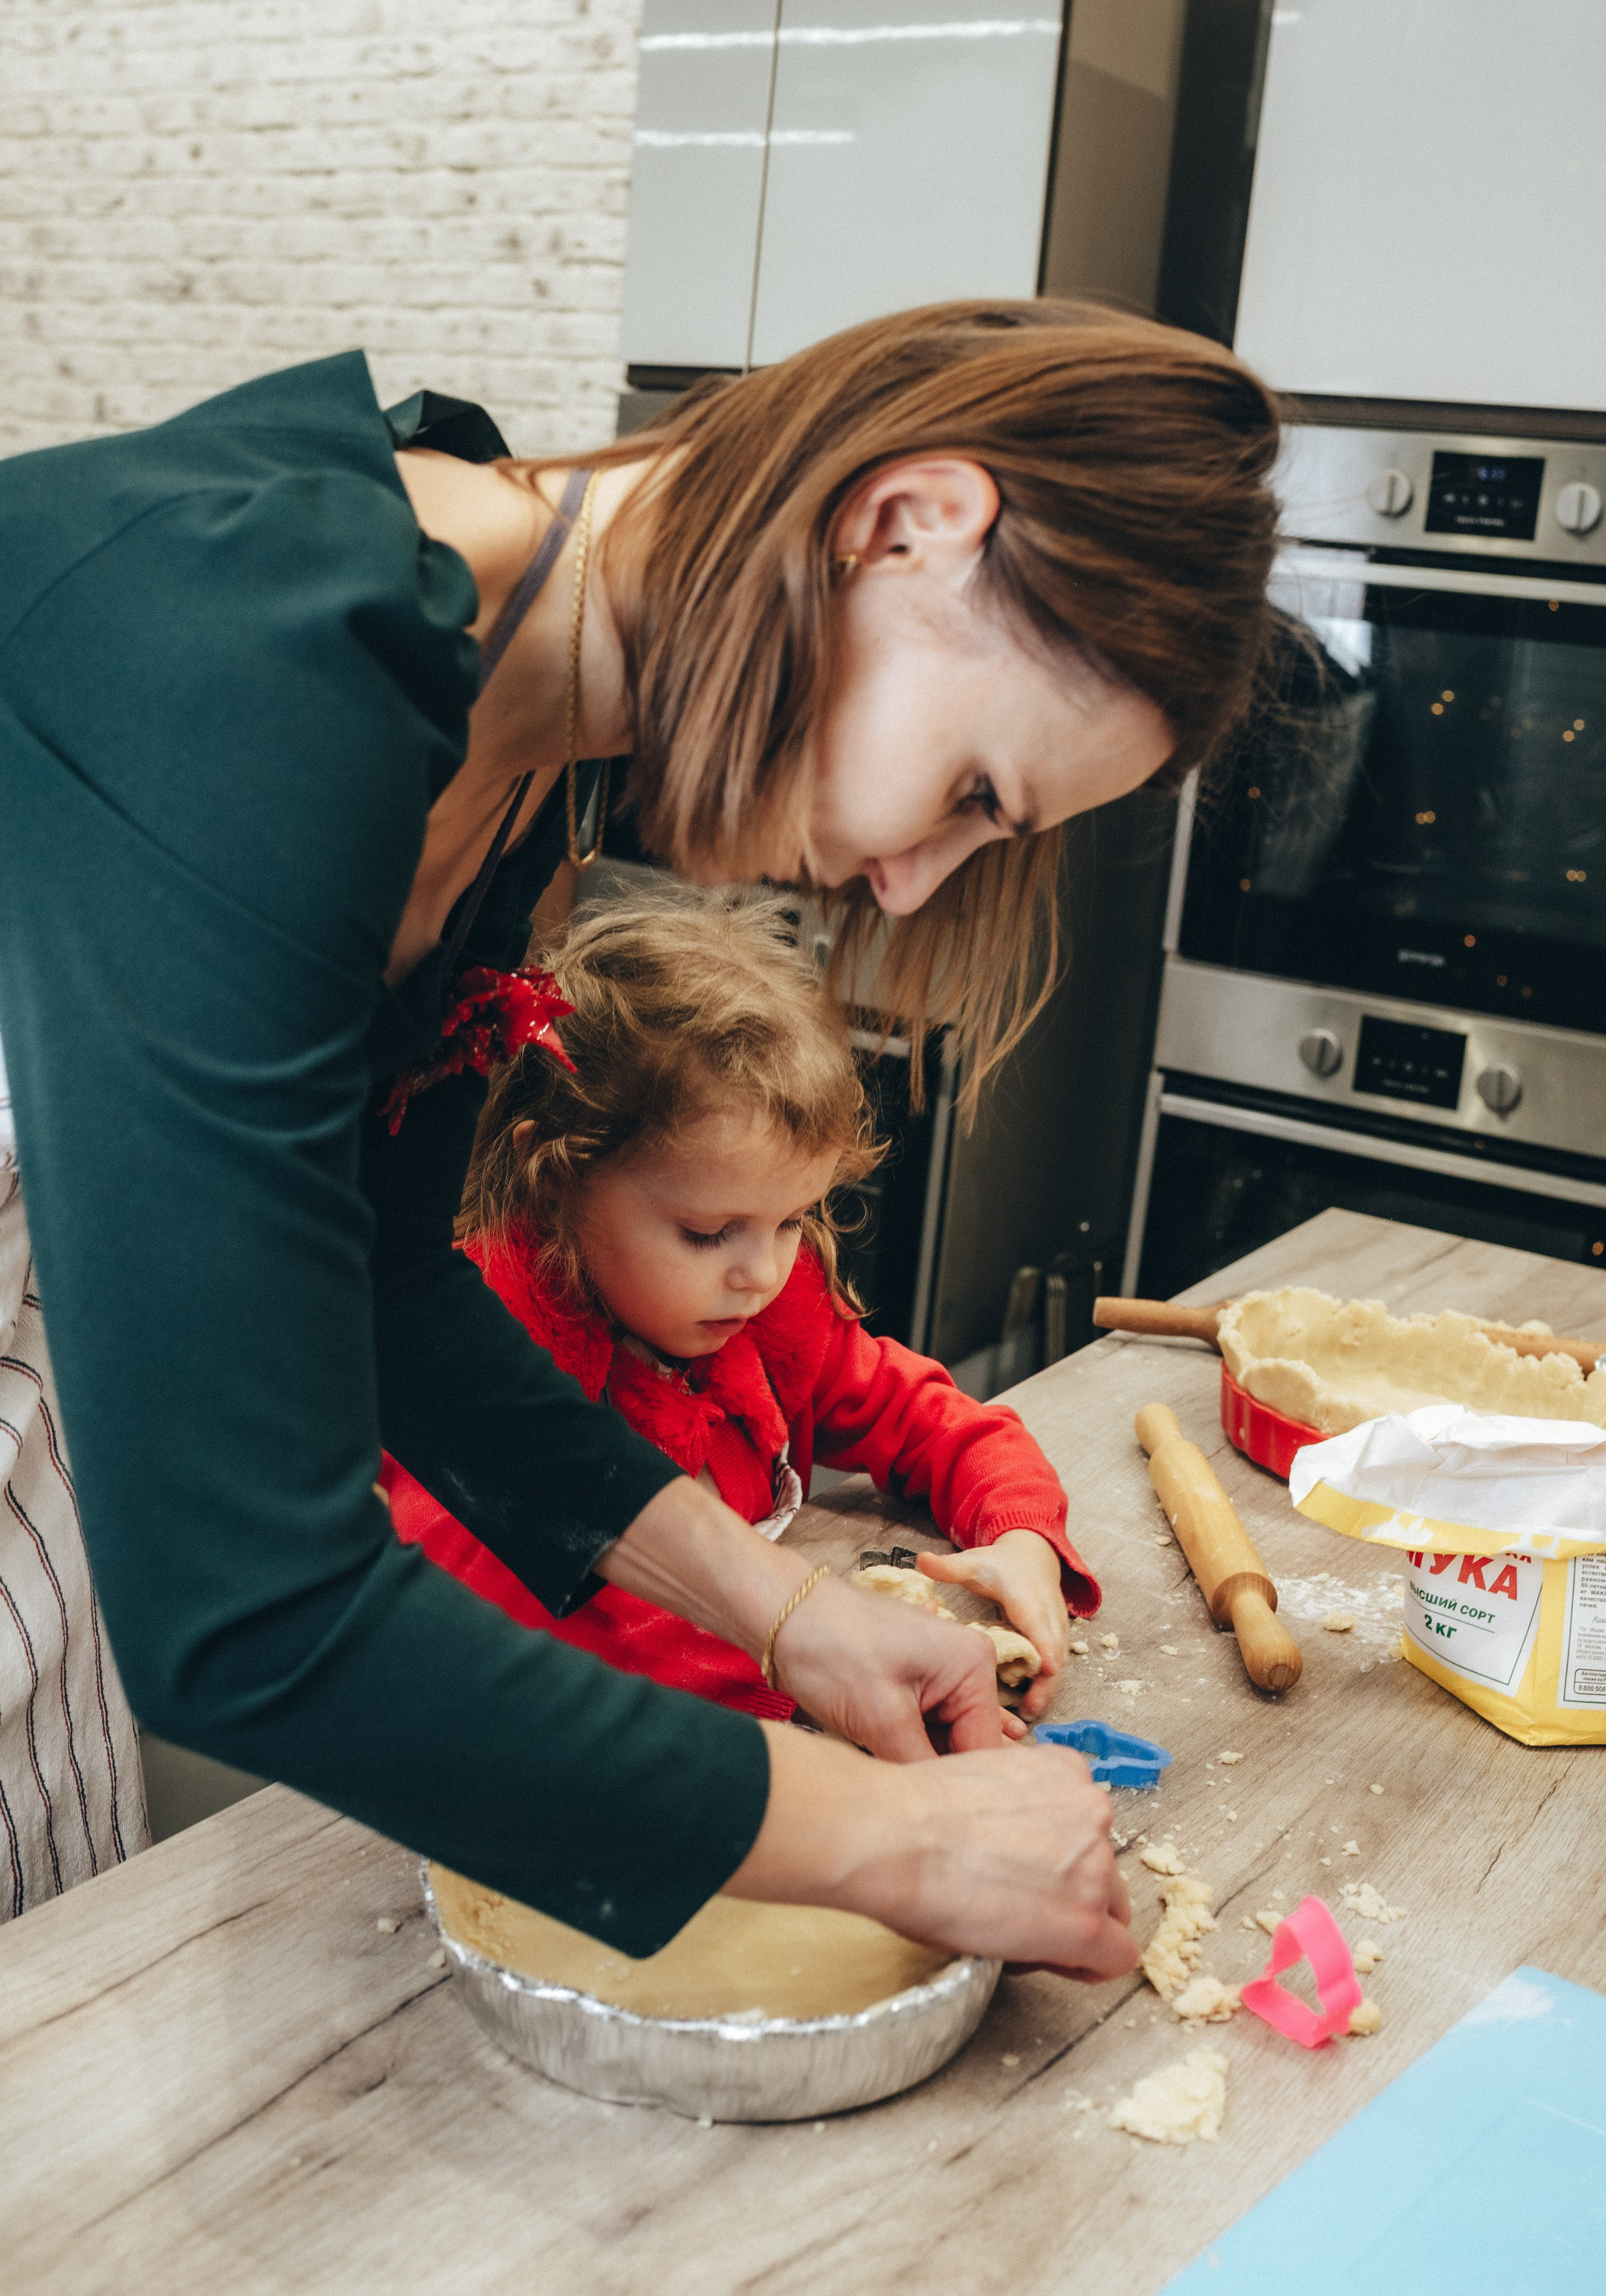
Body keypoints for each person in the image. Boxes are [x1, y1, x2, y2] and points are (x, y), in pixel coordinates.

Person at [0, 297, 1279, 1963]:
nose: (907, 880)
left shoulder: (511, 758)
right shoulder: (259, 653)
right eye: (973, 794)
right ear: (905, 528)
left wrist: (785, 1608)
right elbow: (251, 1610)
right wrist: (887, 1836)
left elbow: (380, 1288)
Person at [382, 892, 1102, 1721]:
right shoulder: (473, 1371)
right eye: (708, 1232)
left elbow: (931, 1420)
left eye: (791, 1220)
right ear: (558, 1183)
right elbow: (520, 1653)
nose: (759, 1273)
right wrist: (810, 1665)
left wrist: (1017, 1539)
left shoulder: (764, 1321)